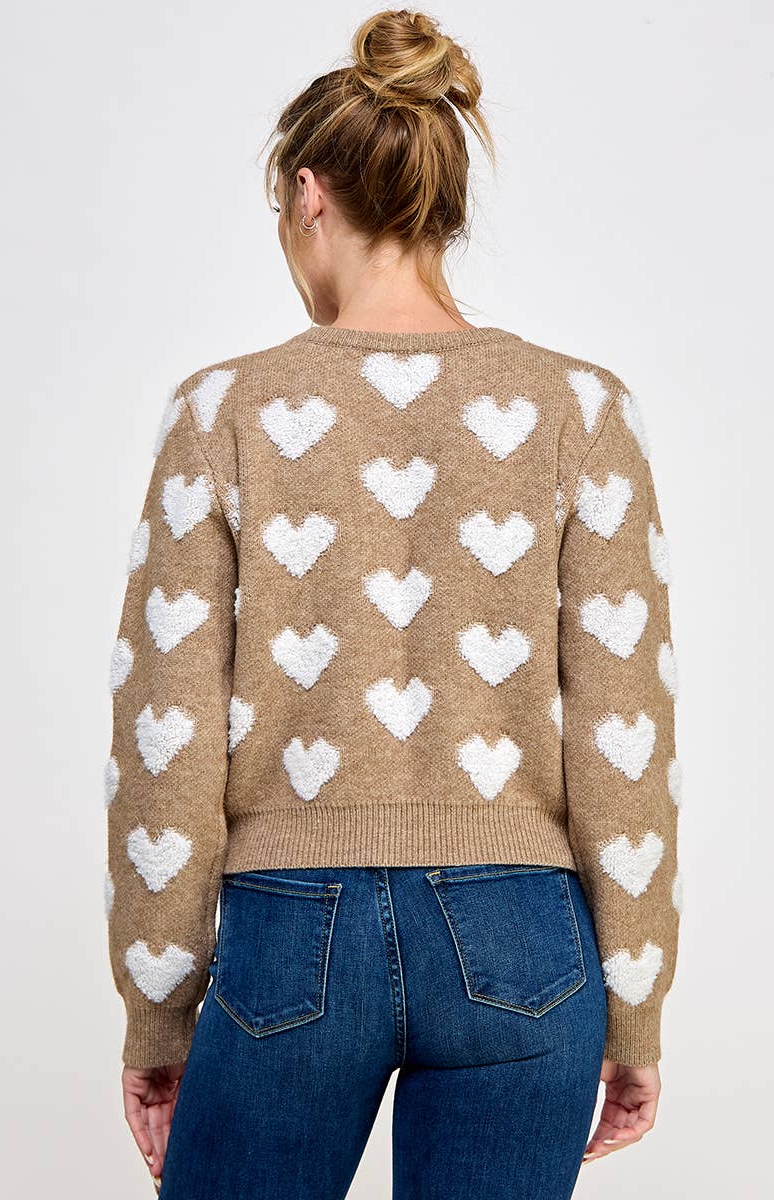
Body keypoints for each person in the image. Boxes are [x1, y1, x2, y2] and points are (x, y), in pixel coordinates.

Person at [104, 9, 681, 1198]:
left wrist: (157, 1011)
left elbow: (164, 732)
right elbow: (625, 731)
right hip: (526, 943)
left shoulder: (219, 414)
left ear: (307, 193)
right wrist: (634, 1008)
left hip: (288, 941)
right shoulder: (581, 411)